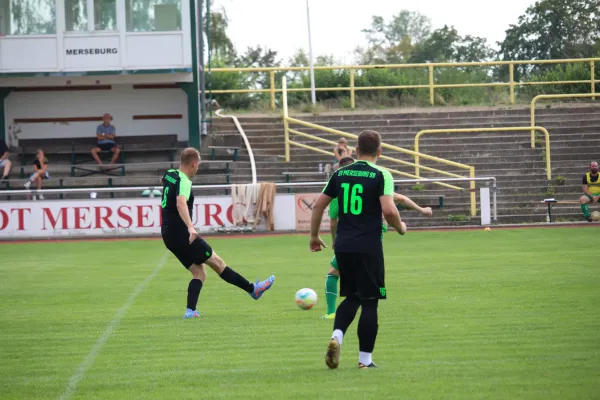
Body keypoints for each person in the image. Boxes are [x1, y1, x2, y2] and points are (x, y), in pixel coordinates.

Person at [310, 130, 407, 370]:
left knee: (352, 296)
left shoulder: (341, 172)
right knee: (370, 301)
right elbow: (390, 210)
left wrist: (313, 236)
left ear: (355, 150)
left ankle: (337, 337)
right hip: (368, 246)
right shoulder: (381, 174)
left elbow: (319, 205)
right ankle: (365, 361)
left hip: (343, 244)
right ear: (380, 151)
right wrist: (401, 228)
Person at [161, 147, 275, 319]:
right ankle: (253, 289)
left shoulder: (170, 174)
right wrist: (191, 227)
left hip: (168, 234)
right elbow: (180, 203)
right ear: (194, 163)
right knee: (218, 263)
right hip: (182, 233)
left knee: (199, 273)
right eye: (197, 165)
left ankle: (190, 311)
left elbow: (167, 186)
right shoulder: (184, 181)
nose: (197, 168)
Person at [322, 156, 432, 320]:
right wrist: (421, 210)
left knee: (334, 273)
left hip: (353, 235)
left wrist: (333, 241)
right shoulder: (372, 179)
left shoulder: (339, 190)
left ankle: (332, 313)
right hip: (373, 233)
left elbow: (332, 222)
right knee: (364, 273)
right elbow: (399, 199)